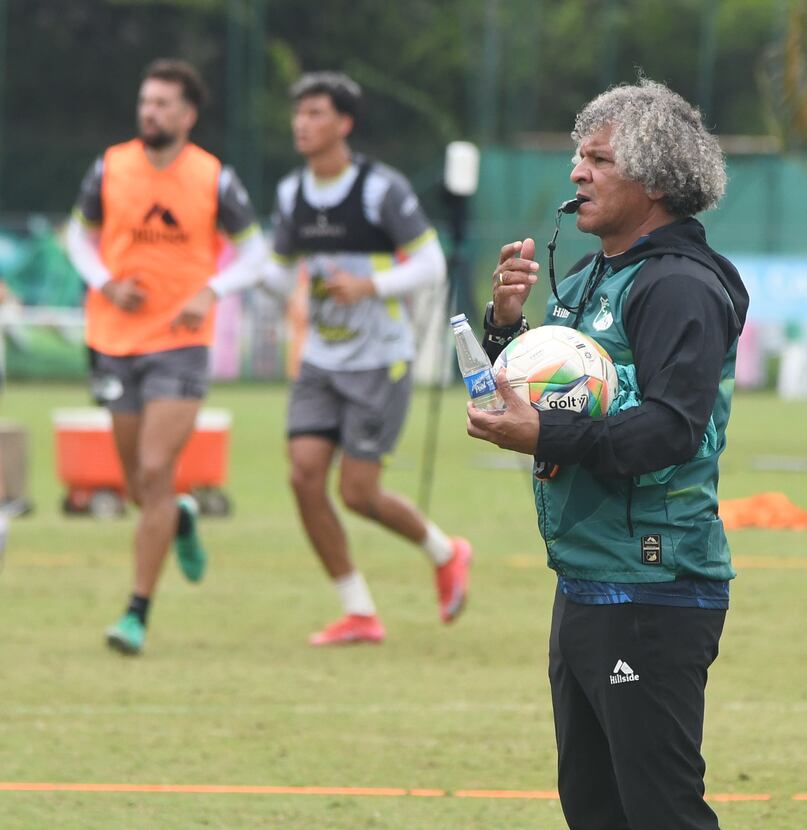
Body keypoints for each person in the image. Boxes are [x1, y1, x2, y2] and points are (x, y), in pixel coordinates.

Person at [467, 80, 749, 830]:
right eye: (576, 155)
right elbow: (551, 399)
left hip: (654, 585)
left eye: (598, 158)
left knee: (661, 815)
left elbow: (670, 430)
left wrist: (543, 437)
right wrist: (504, 329)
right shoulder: (597, 274)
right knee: (594, 811)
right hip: (588, 580)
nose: (576, 173)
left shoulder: (681, 286)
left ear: (655, 180)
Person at [64, 59, 267, 656]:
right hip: (113, 340)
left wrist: (212, 290)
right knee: (139, 487)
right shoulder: (109, 166)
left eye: (161, 103)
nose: (148, 111)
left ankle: (135, 613)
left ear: (187, 115)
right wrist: (103, 282)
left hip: (180, 345)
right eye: (144, 101)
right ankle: (177, 514)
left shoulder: (212, 178)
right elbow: (77, 235)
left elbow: (254, 252)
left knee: (154, 467)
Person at [262, 72, 471, 645]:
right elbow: (280, 275)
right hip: (320, 361)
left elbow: (431, 265)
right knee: (304, 477)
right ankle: (358, 610)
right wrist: (260, 282)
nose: (302, 124)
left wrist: (369, 286)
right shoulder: (290, 195)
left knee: (357, 492)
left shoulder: (380, 189)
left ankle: (446, 552)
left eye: (316, 114)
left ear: (344, 124)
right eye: (298, 114)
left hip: (380, 361)